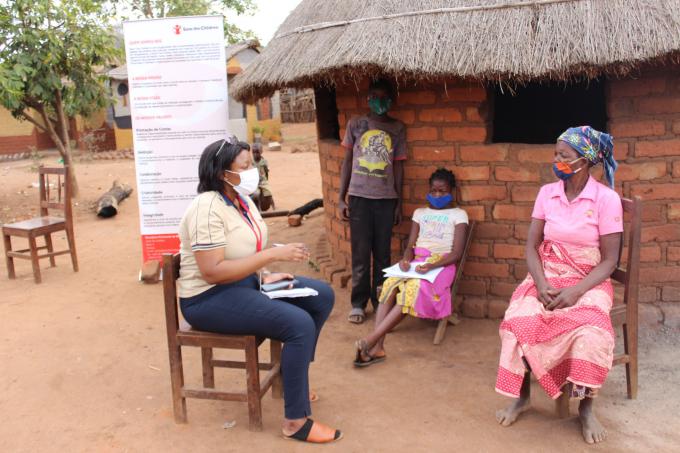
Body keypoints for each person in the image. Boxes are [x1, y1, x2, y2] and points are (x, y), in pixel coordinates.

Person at [177, 136, 341, 443]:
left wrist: (263, 274)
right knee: (299, 323)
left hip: (243, 284)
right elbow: (212, 272)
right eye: (245, 166)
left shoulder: (242, 200)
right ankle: (295, 421)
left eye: (252, 164)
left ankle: (291, 378)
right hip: (207, 299)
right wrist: (270, 256)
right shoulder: (205, 208)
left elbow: (244, 251)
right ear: (222, 173)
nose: (254, 172)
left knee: (321, 295)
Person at [495, 126, 622, 445]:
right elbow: (531, 247)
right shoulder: (546, 194)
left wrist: (575, 291)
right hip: (547, 274)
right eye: (556, 154)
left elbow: (609, 261)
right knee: (517, 320)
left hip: (588, 279)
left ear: (586, 159)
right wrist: (540, 285)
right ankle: (522, 397)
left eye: (564, 156)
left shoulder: (606, 199)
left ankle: (587, 408)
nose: (557, 160)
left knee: (591, 330)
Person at [354, 168, 468, 366]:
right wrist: (406, 260)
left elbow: (456, 253)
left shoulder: (458, 215)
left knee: (412, 289)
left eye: (442, 191)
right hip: (418, 264)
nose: (437, 195)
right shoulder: (420, 213)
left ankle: (371, 340)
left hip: (442, 265)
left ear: (452, 191)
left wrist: (433, 265)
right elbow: (410, 247)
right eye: (434, 191)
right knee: (389, 285)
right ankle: (378, 345)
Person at [338, 78, 406, 324]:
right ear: (368, 99)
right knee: (360, 253)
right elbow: (347, 162)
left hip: (386, 200)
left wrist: (399, 202)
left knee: (383, 255)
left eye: (385, 96)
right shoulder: (356, 124)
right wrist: (341, 198)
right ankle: (358, 302)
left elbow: (399, 168)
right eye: (375, 96)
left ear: (391, 100)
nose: (380, 101)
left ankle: (380, 300)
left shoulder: (398, 128)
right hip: (358, 198)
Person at [250, 142, 275, 211]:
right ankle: (259, 208)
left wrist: (266, 180)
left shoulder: (264, 161)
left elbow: (266, 172)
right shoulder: (251, 162)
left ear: (261, 152)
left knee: (268, 191)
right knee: (256, 194)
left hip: (263, 181)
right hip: (254, 182)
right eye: (253, 152)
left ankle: (273, 206)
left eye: (257, 152)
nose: (255, 154)